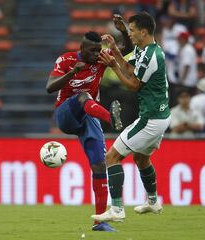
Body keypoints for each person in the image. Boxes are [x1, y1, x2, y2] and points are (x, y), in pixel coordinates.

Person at [46, 17, 133, 231]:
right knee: (84, 96)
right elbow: (49, 87)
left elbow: (126, 49)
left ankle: (100, 222)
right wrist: (73, 72)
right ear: (82, 48)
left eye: (98, 50)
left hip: (89, 116)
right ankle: (111, 119)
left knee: (99, 165)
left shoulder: (101, 59)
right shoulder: (66, 60)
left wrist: (123, 33)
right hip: (66, 113)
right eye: (92, 51)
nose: (97, 55)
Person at [92, 12, 171, 222]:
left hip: (151, 119)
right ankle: (153, 202)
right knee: (141, 158)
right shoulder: (148, 51)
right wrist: (116, 52)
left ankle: (117, 209)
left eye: (133, 30)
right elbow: (129, 67)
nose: (131, 33)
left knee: (111, 157)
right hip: (160, 115)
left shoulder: (152, 55)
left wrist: (112, 66)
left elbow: (134, 85)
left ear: (144, 32)